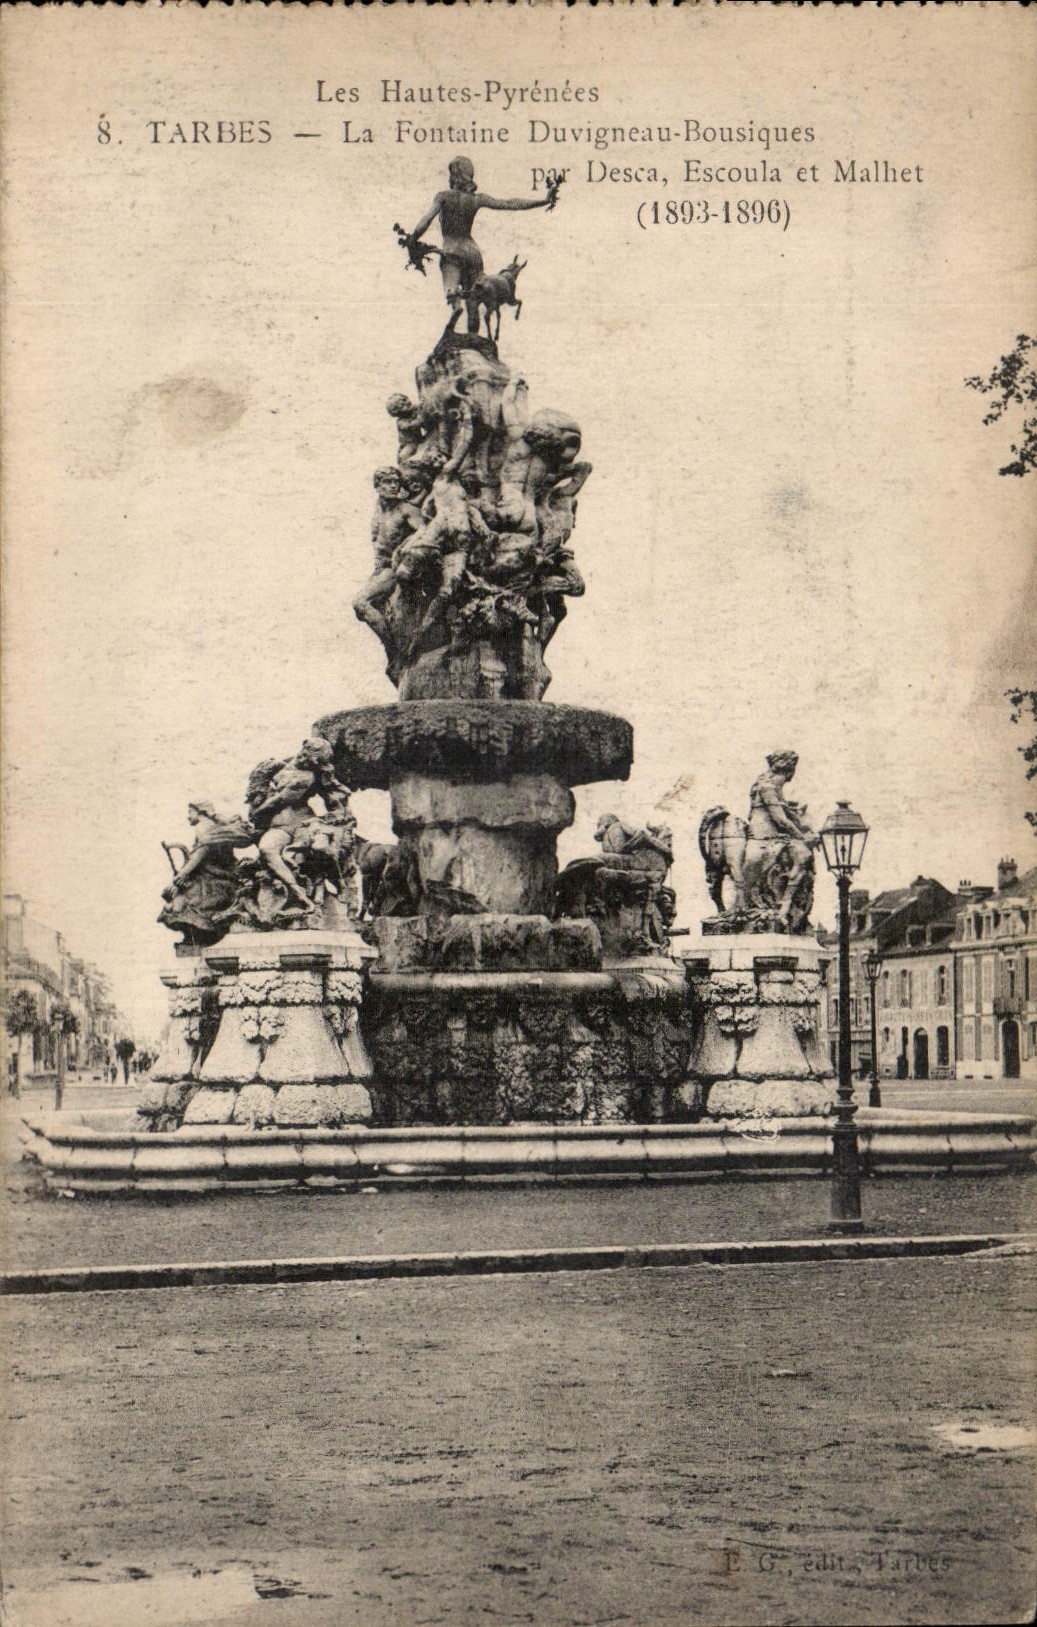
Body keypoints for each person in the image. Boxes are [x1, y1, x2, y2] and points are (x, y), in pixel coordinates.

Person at [406, 157, 556, 327]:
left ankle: (454, 301)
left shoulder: (442, 196)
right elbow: (510, 203)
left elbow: (426, 220)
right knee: (474, 305)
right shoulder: (476, 199)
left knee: (450, 283)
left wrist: (413, 239)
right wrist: (544, 201)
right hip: (473, 254)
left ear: (455, 176)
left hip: (452, 251)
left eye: (450, 174)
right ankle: (473, 332)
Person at [158, 802, 250, 946]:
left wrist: (182, 874)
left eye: (190, 812)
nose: (188, 817)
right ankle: (197, 937)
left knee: (183, 904)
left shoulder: (204, 827)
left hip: (214, 880)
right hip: (220, 878)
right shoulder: (216, 827)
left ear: (200, 812)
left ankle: (198, 937)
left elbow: (200, 853)